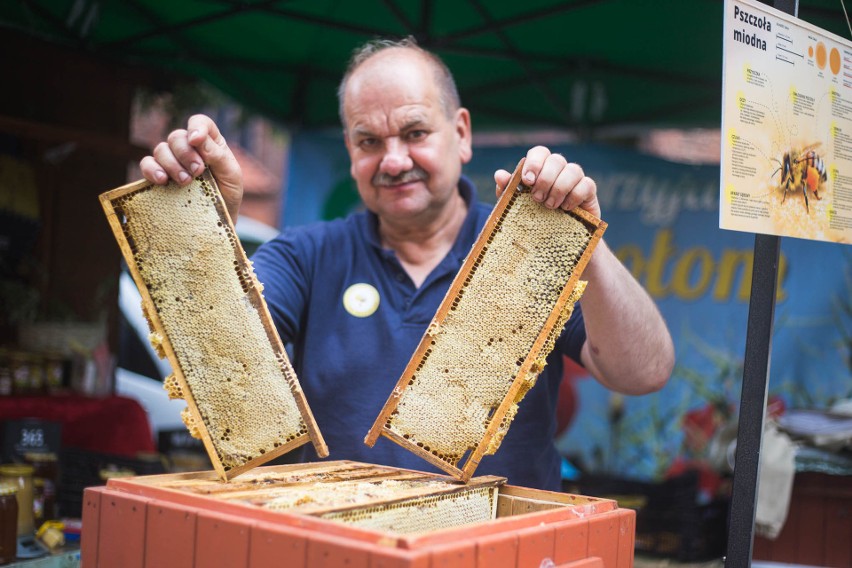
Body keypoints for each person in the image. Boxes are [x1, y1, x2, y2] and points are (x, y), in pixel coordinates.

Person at [139, 37, 674, 490]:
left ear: (461, 133)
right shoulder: (304, 256)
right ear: (350, 152)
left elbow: (644, 372)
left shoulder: (529, 255)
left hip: (503, 549)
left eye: (415, 133)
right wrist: (206, 232)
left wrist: (584, 240)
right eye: (369, 141)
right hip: (340, 545)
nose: (394, 161)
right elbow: (220, 373)